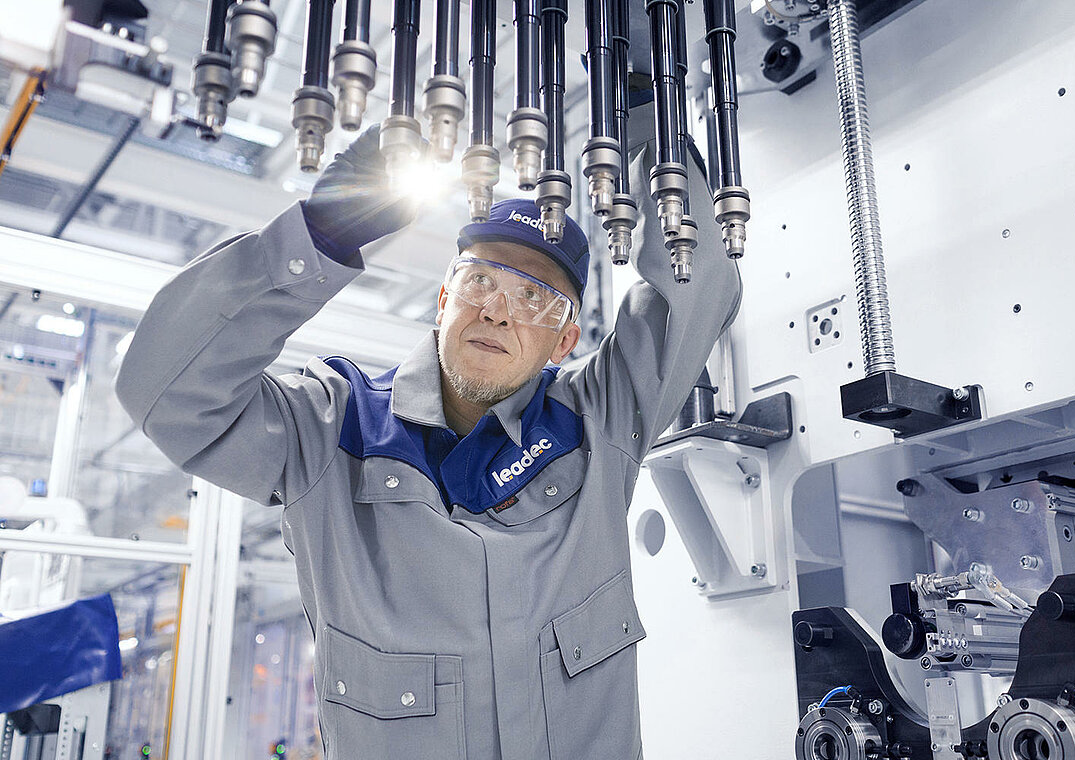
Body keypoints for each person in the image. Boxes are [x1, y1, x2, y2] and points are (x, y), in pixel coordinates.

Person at [115, 110, 741, 759]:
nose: (497, 309)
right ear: (442, 302)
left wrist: (641, 112)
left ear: (565, 340)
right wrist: (318, 238)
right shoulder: (331, 430)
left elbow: (702, 284)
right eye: (480, 281)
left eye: (534, 300)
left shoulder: (600, 418)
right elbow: (167, 394)